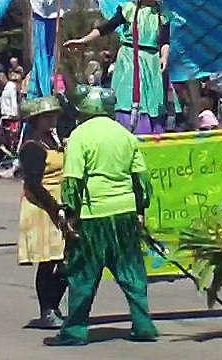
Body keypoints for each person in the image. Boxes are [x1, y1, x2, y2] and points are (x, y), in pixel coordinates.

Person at [44, 86, 157, 347]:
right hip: (124, 214)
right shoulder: (125, 136)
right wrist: (140, 209)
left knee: (83, 275)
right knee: (131, 272)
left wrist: (69, 215)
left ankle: (75, 332)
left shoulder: (80, 136)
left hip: (94, 216)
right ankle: (143, 326)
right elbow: (141, 179)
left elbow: (73, 180)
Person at [64, 0, 171, 135]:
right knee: (127, 97)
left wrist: (164, 57)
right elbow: (106, 27)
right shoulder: (128, 9)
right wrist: (83, 41)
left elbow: (165, 41)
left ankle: (151, 134)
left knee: (152, 101)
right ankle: (126, 131)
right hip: (130, 57)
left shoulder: (163, 14)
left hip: (152, 60)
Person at [17, 96, 69, 329]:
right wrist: (54, 208)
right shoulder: (32, 146)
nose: (52, 120)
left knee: (66, 260)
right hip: (42, 206)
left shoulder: (53, 141)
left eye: (54, 115)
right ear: (36, 120)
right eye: (47, 117)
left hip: (60, 202)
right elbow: (34, 184)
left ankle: (54, 306)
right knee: (48, 261)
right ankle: (46, 310)